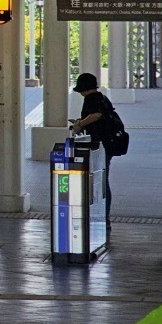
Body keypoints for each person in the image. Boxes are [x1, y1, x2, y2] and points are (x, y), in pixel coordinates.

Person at [70, 72, 116, 219]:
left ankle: (101, 215)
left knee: (100, 180)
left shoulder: (91, 99)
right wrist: (80, 121)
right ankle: (103, 215)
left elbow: (96, 115)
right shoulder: (102, 98)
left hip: (100, 145)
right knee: (102, 179)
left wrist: (79, 125)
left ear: (84, 88)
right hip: (107, 144)